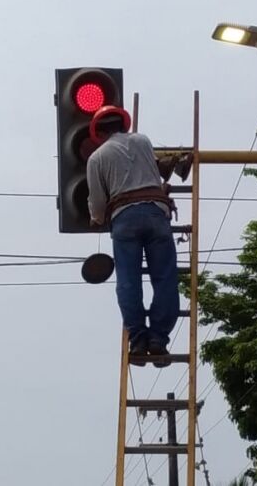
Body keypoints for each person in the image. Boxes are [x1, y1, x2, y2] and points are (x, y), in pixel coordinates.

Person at [87, 109, 180, 367]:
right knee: (165, 278)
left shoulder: (97, 158)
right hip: (155, 213)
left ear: (99, 133)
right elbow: (152, 172)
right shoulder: (142, 141)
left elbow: (96, 205)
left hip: (124, 220)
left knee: (128, 282)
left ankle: (138, 340)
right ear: (122, 124)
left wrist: (96, 218)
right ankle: (158, 340)